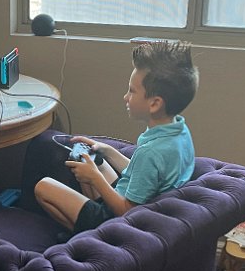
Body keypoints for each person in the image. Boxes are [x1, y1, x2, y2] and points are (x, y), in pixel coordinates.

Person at [34, 39, 197, 233]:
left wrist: (96, 179)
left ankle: (88, 235)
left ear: (155, 103)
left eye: (132, 91)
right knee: (92, 158)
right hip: (132, 198)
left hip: (119, 218)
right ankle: (86, 214)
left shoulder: (151, 153)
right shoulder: (179, 131)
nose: (125, 97)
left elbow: (127, 211)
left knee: (43, 187)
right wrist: (108, 151)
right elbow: (144, 175)